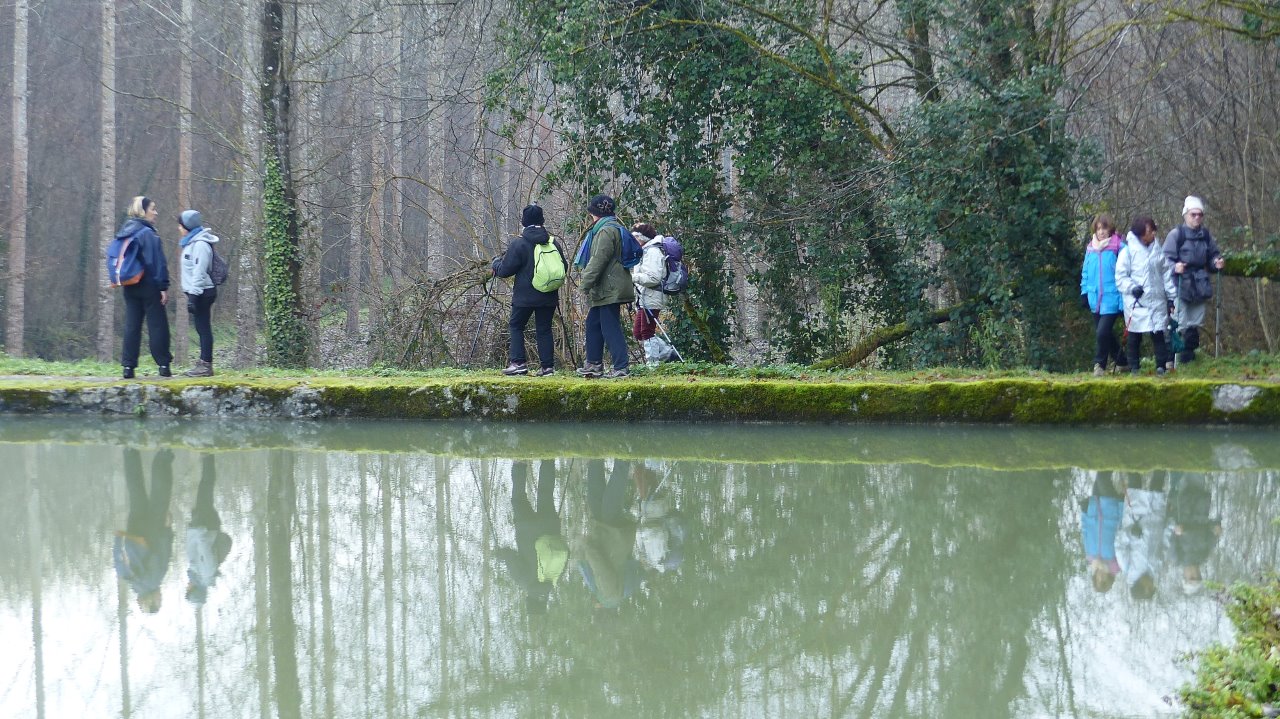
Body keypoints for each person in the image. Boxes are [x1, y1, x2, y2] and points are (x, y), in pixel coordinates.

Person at [492, 204, 563, 376]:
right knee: (544, 329)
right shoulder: (553, 243)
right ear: (542, 220)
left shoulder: (519, 243)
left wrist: (495, 263)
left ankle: (518, 363)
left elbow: (504, 271)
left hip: (524, 297)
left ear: (524, 222)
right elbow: (563, 267)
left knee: (516, 325)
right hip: (548, 295)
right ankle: (547, 368)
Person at [573, 195, 634, 378]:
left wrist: (584, 284)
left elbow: (598, 260)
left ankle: (621, 367)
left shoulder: (605, 231)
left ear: (595, 213)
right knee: (593, 323)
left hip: (610, 287)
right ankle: (593, 364)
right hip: (608, 286)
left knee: (610, 326)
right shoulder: (611, 227)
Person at [496, 460, 567, 615]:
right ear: (529, 601)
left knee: (545, 493)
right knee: (518, 499)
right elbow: (510, 556)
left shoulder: (554, 580)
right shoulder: (525, 582)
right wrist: (498, 555)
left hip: (550, 526)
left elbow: (563, 553)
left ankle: (548, 459)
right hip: (527, 527)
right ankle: (519, 463)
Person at [1163, 196, 1225, 365]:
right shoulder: (1176, 235)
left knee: (1194, 323)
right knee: (1178, 322)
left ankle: (1187, 360)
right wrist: (1175, 267)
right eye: (1193, 214)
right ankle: (1170, 361)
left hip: (1199, 284)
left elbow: (1213, 255)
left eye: (1200, 215)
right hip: (1179, 284)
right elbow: (1164, 260)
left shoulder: (1205, 235)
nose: (1197, 218)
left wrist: (1216, 262)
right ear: (1186, 215)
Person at [116, 196, 172, 379]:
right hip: (149, 284)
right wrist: (163, 286)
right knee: (157, 325)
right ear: (143, 211)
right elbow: (157, 262)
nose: (155, 212)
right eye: (152, 209)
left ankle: (128, 367)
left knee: (132, 325)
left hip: (130, 284)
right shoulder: (148, 233)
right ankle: (163, 365)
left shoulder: (125, 231)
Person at [113, 448, 175, 613]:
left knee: (161, 492)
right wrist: (121, 537)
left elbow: (161, 555)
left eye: (159, 601)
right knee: (136, 491)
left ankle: (164, 454)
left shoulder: (154, 581)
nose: (161, 598)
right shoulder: (130, 580)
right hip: (134, 529)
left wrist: (168, 529)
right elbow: (118, 559)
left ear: (153, 600)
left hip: (154, 529)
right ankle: (129, 450)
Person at [1115, 216, 1177, 375]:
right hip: (1136, 301)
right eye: (1150, 231)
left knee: (1158, 334)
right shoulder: (1127, 252)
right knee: (1134, 335)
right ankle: (1134, 367)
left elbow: (1165, 274)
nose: (1153, 233)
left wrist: (1171, 297)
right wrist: (1132, 288)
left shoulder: (1157, 249)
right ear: (1141, 233)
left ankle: (1161, 366)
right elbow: (1120, 277)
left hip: (1157, 300)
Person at [577, 458, 641, 608]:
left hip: (606, 534)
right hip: (613, 537)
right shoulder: (608, 594)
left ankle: (595, 456)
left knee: (595, 500)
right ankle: (623, 455)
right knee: (610, 504)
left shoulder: (609, 594)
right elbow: (601, 568)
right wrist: (587, 546)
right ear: (600, 608)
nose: (593, 604)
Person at [1079, 214, 1127, 376]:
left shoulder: (1119, 248)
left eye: (1104, 228)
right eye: (1098, 228)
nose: (1101, 232)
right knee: (1106, 333)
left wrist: (1122, 302)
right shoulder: (1090, 248)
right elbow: (1085, 272)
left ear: (1110, 229)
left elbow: (1124, 275)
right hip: (1094, 299)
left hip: (1112, 298)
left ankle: (1099, 365)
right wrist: (1084, 293)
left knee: (1102, 332)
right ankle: (1122, 361)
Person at [177, 209, 220, 377]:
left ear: (187, 226)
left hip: (203, 292)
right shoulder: (192, 242)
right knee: (201, 328)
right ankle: (204, 362)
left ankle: (205, 365)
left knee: (203, 328)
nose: (179, 228)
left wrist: (193, 297)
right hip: (199, 291)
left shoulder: (200, 244)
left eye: (180, 225)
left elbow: (199, 272)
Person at [186, 454, 232, 605]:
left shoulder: (199, 574)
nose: (187, 587)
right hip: (206, 526)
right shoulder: (206, 573)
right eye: (189, 590)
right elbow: (204, 548)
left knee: (205, 488)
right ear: (195, 590)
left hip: (203, 526)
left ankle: (208, 458)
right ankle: (208, 456)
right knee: (206, 487)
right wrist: (198, 528)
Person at [629, 223, 675, 367]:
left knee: (646, 331)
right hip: (644, 296)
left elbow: (653, 278)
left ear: (642, 238)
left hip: (653, 296)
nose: (633, 240)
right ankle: (667, 353)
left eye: (635, 237)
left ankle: (653, 365)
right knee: (638, 332)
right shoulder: (645, 250)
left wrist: (632, 277)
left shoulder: (653, 252)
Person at [1167, 474, 1221, 596]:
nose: (1195, 574)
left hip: (1180, 504)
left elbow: (1168, 532)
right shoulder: (1204, 555)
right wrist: (1216, 529)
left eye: (1192, 577)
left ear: (1184, 576)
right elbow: (1214, 533)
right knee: (1197, 469)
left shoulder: (1176, 558)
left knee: (1179, 468)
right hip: (1200, 505)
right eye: (1197, 577)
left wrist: (1175, 529)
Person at [1116, 473, 1167, 601]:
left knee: (1134, 478)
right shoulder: (1156, 569)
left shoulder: (1127, 568)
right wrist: (1170, 525)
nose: (1153, 585)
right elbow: (1164, 544)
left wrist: (1131, 533)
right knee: (1159, 479)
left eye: (1151, 587)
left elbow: (1119, 545)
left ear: (1144, 588)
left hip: (1136, 514)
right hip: (1156, 514)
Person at [1079, 472, 1125, 593]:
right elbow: (1122, 533)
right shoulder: (1117, 563)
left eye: (1097, 580)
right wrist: (1121, 506)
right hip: (1111, 509)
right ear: (1109, 579)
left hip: (1095, 506)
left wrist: (1084, 512)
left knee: (1101, 473)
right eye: (1103, 580)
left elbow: (1086, 533)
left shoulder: (1090, 557)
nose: (1100, 577)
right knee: (1102, 477)